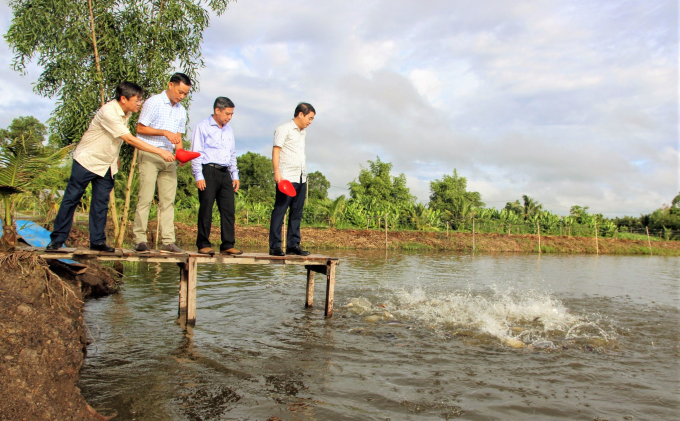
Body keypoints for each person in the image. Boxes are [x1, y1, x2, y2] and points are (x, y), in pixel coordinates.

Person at [46, 82, 176, 252]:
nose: (140, 103)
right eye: (137, 100)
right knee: (71, 199)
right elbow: (129, 139)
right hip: (87, 160)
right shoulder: (109, 112)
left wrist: (117, 158)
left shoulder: (126, 112)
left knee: (101, 203)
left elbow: (115, 139)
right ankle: (57, 240)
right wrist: (159, 151)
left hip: (107, 164)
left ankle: (98, 242)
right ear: (123, 99)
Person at [132, 72, 191, 253]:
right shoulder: (153, 102)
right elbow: (140, 128)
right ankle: (139, 240)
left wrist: (180, 154)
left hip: (169, 158)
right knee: (146, 198)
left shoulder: (181, 110)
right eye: (180, 92)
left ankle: (168, 241)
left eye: (185, 94)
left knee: (168, 201)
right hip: (150, 154)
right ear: (170, 85)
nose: (181, 96)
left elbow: (178, 136)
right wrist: (164, 132)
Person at [191, 97, 242, 255]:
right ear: (217, 110)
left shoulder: (229, 129)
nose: (229, 117)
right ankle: (203, 243)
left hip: (225, 172)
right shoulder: (202, 126)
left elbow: (232, 153)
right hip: (208, 170)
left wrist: (235, 174)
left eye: (232, 114)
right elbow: (196, 152)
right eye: (227, 113)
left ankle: (228, 244)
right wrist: (198, 175)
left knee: (228, 209)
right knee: (206, 207)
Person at [268, 102, 316, 256]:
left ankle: (293, 245)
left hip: (301, 177)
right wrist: (277, 173)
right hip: (286, 178)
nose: (310, 122)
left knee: (296, 213)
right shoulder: (284, 129)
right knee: (280, 211)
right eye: (309, 118)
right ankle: (275, 246)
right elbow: (276, 151)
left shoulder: (303, 132)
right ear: (300, 114)